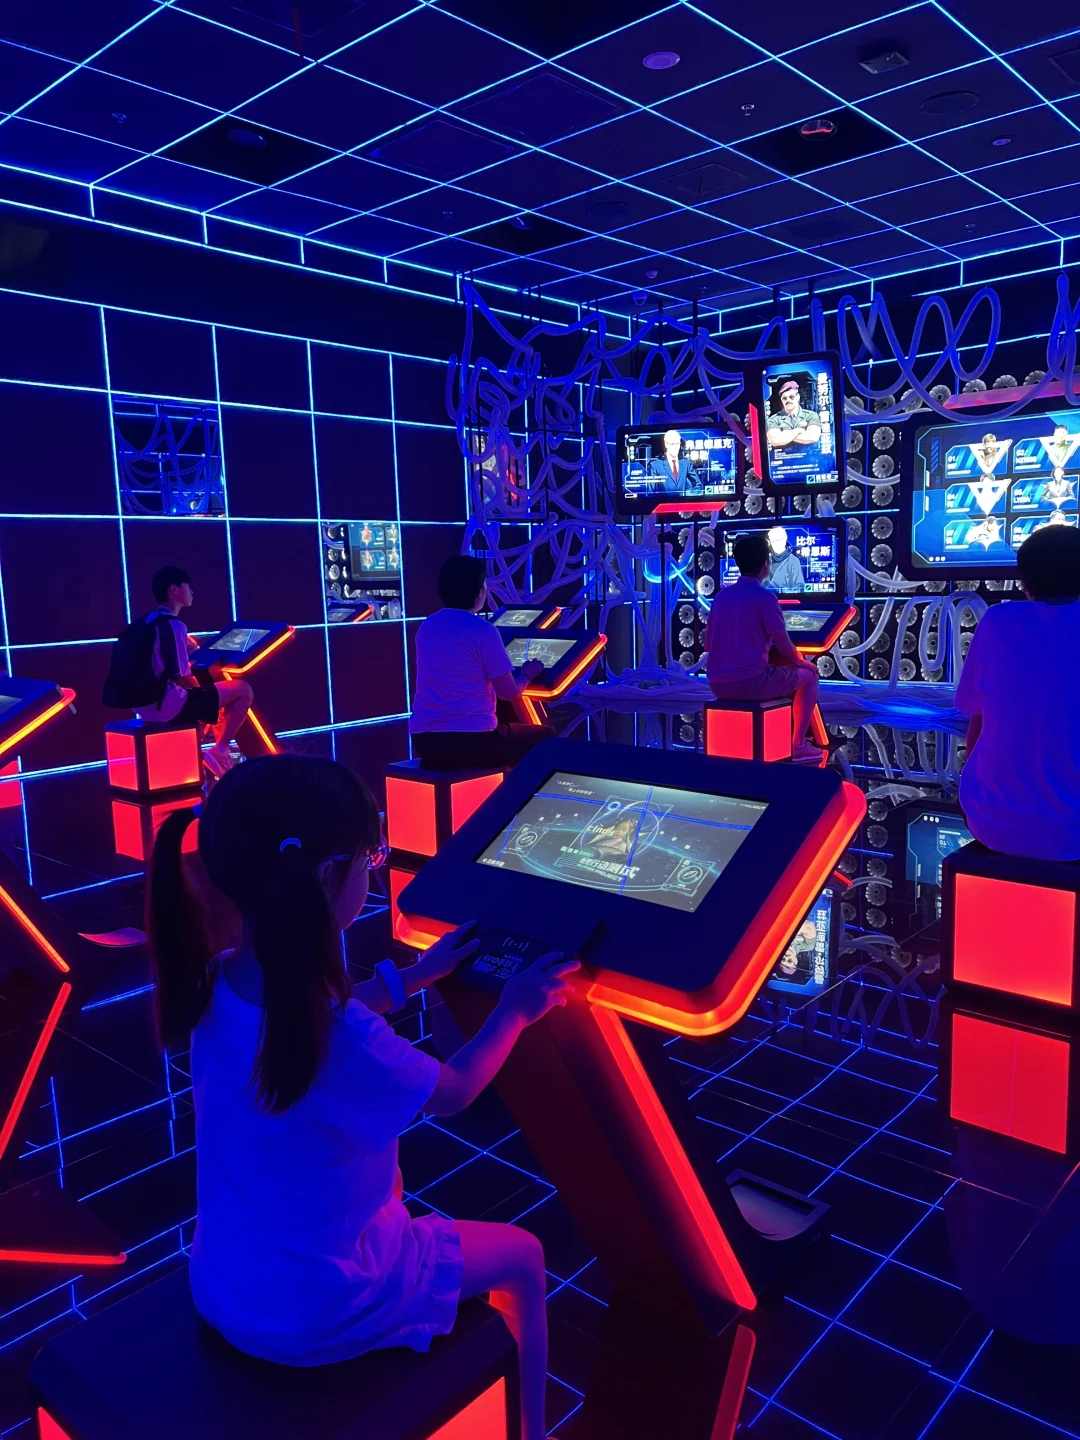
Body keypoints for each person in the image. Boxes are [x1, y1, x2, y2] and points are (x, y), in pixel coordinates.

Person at [147, 754, 577, 1440]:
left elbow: (310, 1014)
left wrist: (417, 976)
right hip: (322, 1307)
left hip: (225, 1284)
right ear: (326, 878)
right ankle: (531, 1431)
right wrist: (515, 1011)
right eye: (369, 859)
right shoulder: (342, 1036)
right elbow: (456, 1090)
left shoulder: (215, 980)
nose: (373, 872)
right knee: (524, 1255)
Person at [956, 525, 1080, 862]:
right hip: (1074, 834)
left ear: (1024, 581)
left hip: (991, 822)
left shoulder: (998, 619)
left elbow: (977, 723)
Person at [410, 556, 555, 771]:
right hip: (472, 741)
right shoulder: (483, 630)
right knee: (547, 737)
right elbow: (508, 692)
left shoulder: (427, 626)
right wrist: (527, 673)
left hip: (425, 741)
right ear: (478, 592)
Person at [705, 532, 822, 762]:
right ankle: (798, 744)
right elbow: (783, 642)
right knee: (810, 677)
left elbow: (708, 643)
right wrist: (801, 662)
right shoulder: (765, 597)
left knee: (780, 671)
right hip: (751, 683)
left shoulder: (721, 597)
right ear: (766, 564)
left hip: (717, 684)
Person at [138, 566, 252, 779]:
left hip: (144, 706)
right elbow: (181, 678)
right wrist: (207, 700)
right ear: (174, 590)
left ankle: (193, 761)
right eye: (187, 586)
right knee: (242, 689)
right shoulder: (174, 625)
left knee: (206, 698)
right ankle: (219, 751)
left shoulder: (147, 622)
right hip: (166, 706)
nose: (191, 592)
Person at [766, 378, 820, 449]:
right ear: (781, 400)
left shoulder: (811, 416)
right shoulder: (773, 419)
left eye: (791, 397)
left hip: (809, 456)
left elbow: (813, 437)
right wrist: (798, 431)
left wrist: (784, 434)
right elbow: (775, 440)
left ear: (798, 397)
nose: (788, 400)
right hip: (783, 456)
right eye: (784, 398)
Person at [764, 526, 806, 592]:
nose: (775, 544)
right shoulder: (767, 560)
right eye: (773, 541)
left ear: (784, 540)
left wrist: (780, 590)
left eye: (778, 540)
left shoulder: (793, 561)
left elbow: (800, 587)